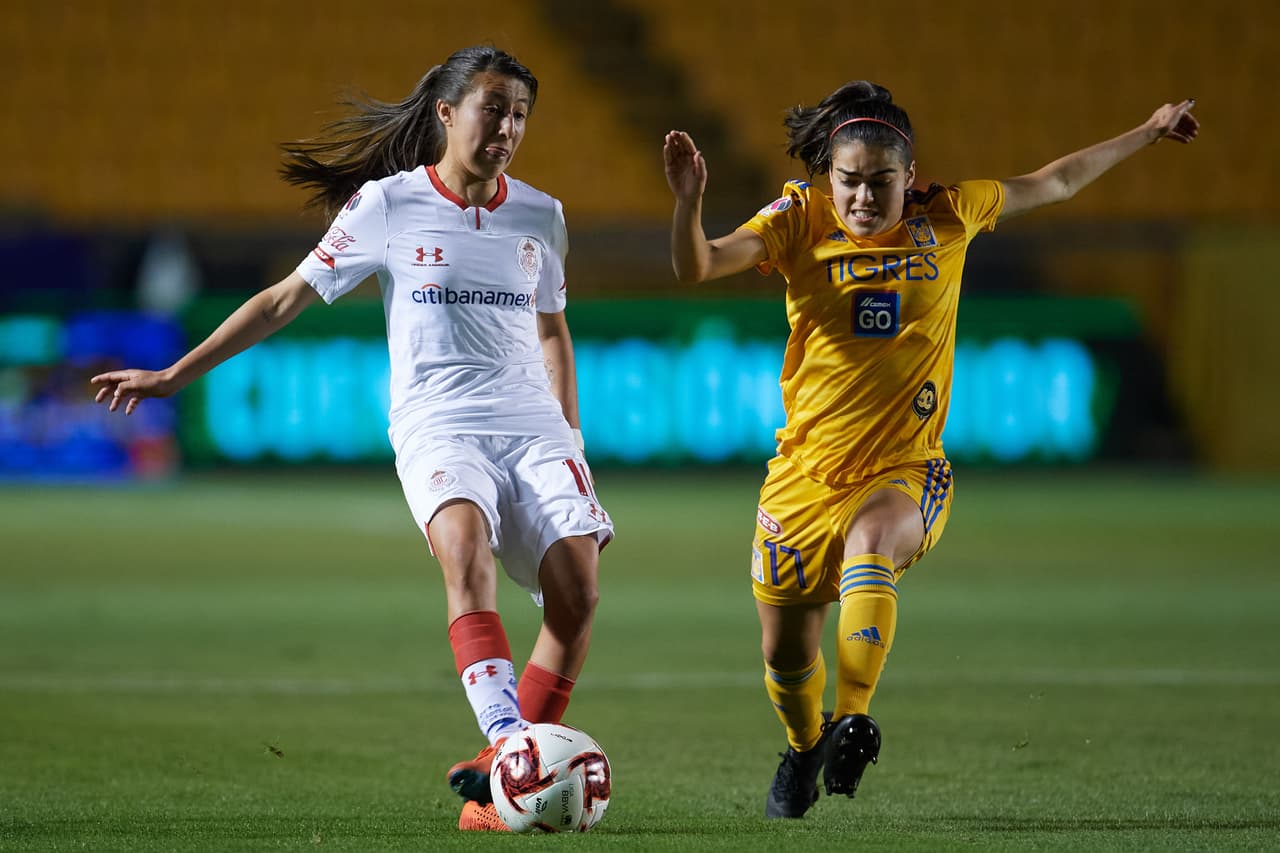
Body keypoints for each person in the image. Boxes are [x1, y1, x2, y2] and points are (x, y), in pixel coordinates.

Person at [91, 46, 613, 832]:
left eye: (520, 115)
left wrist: (569, 434)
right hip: (437, 421)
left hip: (532, 425)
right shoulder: (389, 204)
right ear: (447, 112)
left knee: (578, 598)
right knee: (464, 553)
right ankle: (510, 751)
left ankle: (495, 772)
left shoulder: (541, 213)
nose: (507, 127)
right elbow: (281, 299)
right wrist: (174, 374)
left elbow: (552, 333)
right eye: (493, 108)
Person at [663, 82, 1197, 819]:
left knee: (873, 541)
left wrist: (1146, 129)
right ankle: (803, 743)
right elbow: (697, 266)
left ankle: (853, 715)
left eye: (880, 182)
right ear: (829, 175)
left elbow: (1055, 180)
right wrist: (689, 199)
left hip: (905, 466)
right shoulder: (797, 219)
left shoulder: (949, 214)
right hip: (802, 476)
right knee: (785, 654)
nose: (861, 197)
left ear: (909, 177)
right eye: (848, 180)